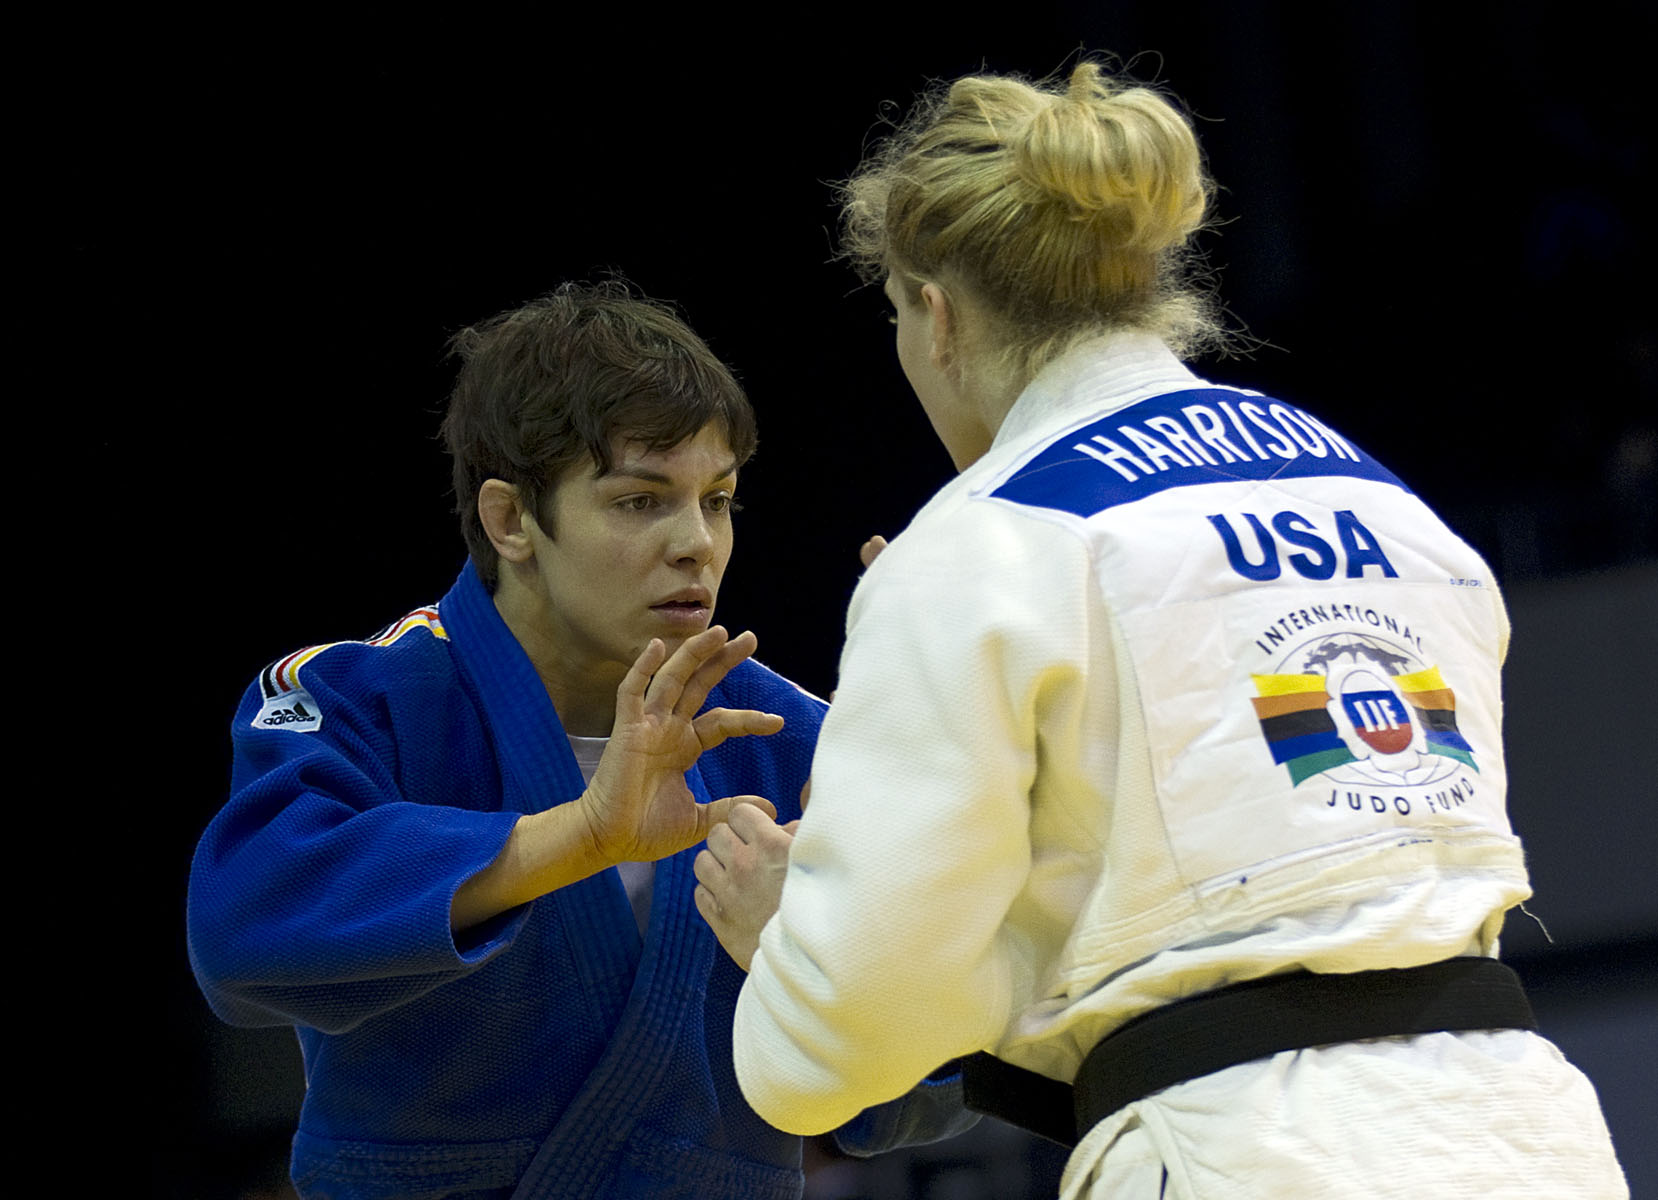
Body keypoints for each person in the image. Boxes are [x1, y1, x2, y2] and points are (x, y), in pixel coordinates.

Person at [696, 62, 1628, 1197]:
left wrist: (790, 943)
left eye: (896, 314)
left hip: (1245, 1158)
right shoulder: (1395, 512)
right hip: (1526, 1137)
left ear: (935, 317)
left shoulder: (978, 545)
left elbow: (840, 1046)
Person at [186, 281, 969, 1200]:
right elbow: (239, 938)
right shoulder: (361, 699)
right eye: (641, 501)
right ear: (511, 519)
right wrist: (581, 837)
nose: (697, 545)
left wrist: (826, 960)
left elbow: (926, 1086)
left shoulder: (790, 742)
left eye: (717, 501)